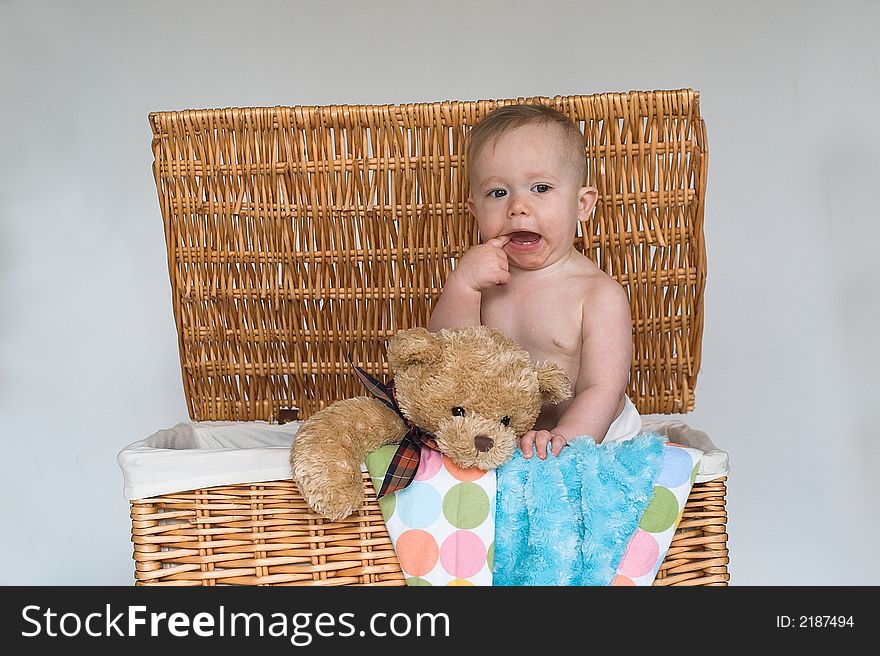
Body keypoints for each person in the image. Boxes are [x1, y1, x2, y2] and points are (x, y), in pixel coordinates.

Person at [428, 103, 641, 460]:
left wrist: (566, 438)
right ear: (474, 211)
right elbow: (447, 356)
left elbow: (603, 388)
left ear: (582, 205)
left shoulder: (597, 294)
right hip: (500, 439)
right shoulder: (482, 282)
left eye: (540, 188)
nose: (518, 207)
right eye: (498, 193)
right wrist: (463, 285)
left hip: (594, 435)